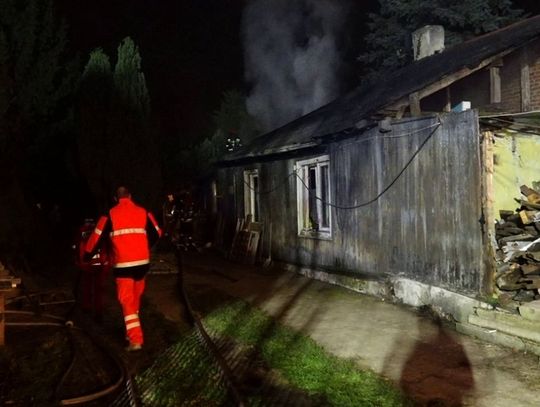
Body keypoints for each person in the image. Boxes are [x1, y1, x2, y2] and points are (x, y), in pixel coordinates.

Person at [85, 186, 162, 351]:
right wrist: (144, 247)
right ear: (130, 196)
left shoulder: (109, 214)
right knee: (135, 298)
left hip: (123, 265)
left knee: (126, 300)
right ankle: (131, 330)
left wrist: (86, 255)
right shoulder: (143, 212)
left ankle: (135, 340)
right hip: (142, 263)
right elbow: (157, 232)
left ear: (115, 198)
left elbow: (96, 238)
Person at [74, 218, 110, 322]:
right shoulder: (101, 230)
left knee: (87, 287)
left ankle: (87, 308)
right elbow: (107, 246)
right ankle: (98, 312)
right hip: (99, 264)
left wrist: (78, 261)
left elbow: (77, 247)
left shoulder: (81, 231)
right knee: (98, 290)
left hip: (87, 264)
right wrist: (107, 262)